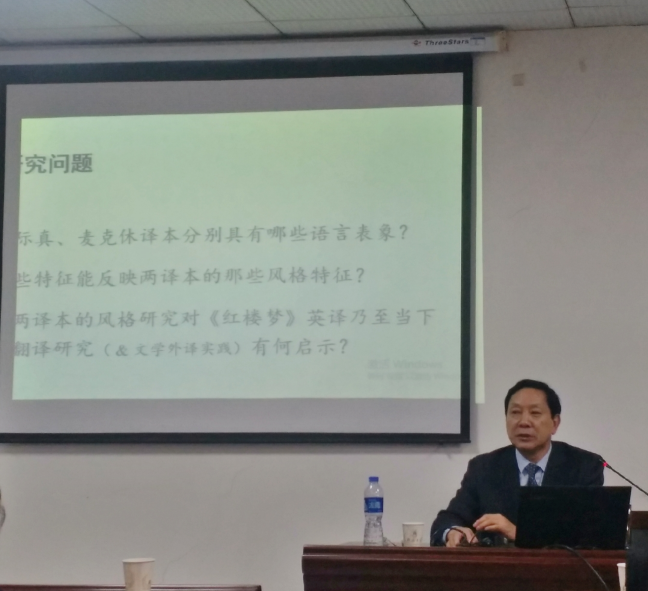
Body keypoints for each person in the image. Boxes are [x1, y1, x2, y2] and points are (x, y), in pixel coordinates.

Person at [431, 379, 603, 547]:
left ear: (555, 423)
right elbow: (448, 518)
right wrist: (452, 531)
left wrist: (518, 533)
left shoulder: (584, 466)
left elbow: (589, 534)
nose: (524, 422)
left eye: (535, 413)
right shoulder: (484, 468)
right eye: (515, 412)